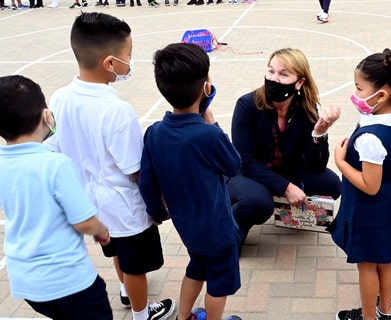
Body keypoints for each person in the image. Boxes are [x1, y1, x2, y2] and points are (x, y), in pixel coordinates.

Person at [43, 12, 176, 320]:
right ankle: (143, 315)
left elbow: (55, 147)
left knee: (117, 252)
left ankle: (127, 293)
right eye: (128, 55)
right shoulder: (118, 111)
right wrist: (158, 205)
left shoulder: (60, 97)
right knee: (136, 265)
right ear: (110, 63)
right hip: (125, 209)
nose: (131, 61)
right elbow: (135, 169)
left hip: (92, 204)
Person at [139, 42, 243, 320]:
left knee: (196, 267)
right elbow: (234, 165)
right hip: (218, 228)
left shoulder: (154, 132)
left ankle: (184, 316)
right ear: (206, 88)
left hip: (188, 227)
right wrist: (212, 121)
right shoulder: (207, 135)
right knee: (219, 283)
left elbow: (147, 183)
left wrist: (157, 213)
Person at [0, 75, 112, 320]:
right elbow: (83, 220)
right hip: (68, 280)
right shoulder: (56, 165)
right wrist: (101, 231)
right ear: (46, 116)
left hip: (27, 282)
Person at [227, 48, 342, 253]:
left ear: (300, 82)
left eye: (283, 74)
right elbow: (245, 161)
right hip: (247, 172)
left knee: (332, 185)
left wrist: (319, 135)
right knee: (258, 204)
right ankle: (232, 222)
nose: (274, 79)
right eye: (271, 71)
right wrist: (286, 187)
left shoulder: (306, 108)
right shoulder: (247, 105)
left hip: (286, 168)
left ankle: (285, 206)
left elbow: (316, 165)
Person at [328, 48, 391, 320]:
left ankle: (368, 316)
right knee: (385, 260)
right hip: (388, 201)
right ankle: (385, 310)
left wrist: (341, 162)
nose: (355, 94)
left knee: (367, 265)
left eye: (359, 88)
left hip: (369, 207)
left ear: (382, 95)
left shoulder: (371, 138)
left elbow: (369, 185)